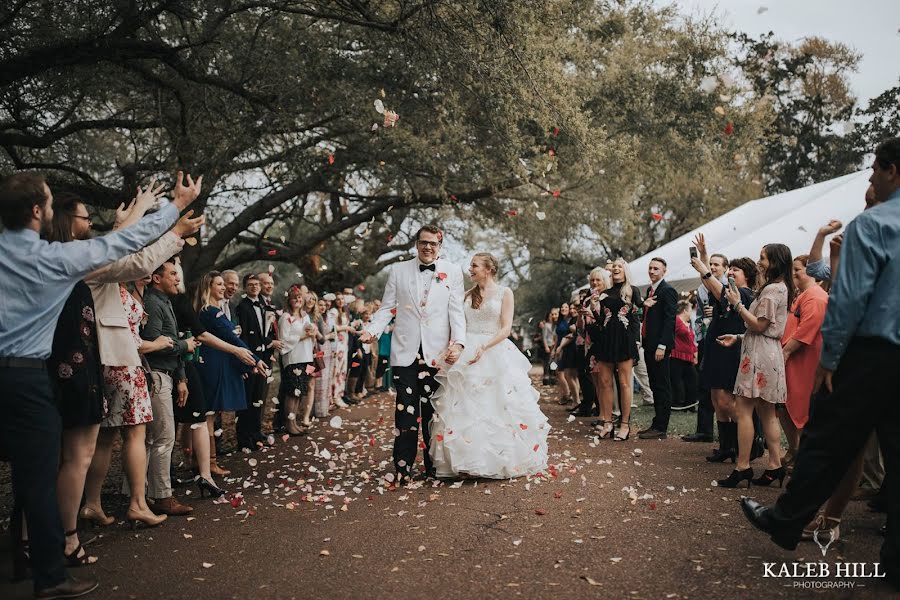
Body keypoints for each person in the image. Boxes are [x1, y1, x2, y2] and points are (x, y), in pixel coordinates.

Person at [0, 169, 199, 598]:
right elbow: (122, 245)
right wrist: (175, 209)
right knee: (37, 477)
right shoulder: (54, 259)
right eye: (50, 203)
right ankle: (50, 577)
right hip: (25, 379)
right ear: (37, 211)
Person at [742, 140, 900, 589]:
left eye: (874, 171)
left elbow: (848, 299)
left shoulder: (872, 224)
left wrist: (830, 360)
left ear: (892, 170)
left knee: (826, 439)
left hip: (873, 352)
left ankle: (786, 520)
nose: (870, 180)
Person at [83, 193, 196, 531]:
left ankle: (91, 504)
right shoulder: (107, 276)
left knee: (105, 438)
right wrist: (170, 229)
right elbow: (134, 256)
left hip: (108, 362)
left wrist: (125, 219)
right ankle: (137, 503)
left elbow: (120, 246)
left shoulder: (112, 282)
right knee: (136, 435)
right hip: (122, 363)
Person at [359, 225, 466, 485]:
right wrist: (372, 331)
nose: (427, 247)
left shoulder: (452, 272)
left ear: (440, 246)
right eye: (423, 243)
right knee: (405, 412)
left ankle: (433, 467)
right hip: (405, 353)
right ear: (416, 244)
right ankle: (403, 468)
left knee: (433, 413)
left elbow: (456, 312)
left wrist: (459, 343)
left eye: (433, 243)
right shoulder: (398, 270)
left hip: (437, 354)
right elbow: (387, 309)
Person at [429, 253, 549, 478]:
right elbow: (458, 327)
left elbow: (505, 328)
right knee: (464, 407)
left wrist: (484, 347)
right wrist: (454, 347)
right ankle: (466, 461)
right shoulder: (466, 295)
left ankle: (499, 460)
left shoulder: (505, 293)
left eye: (474, 266)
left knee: (497, 405)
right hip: (467, 352)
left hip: (494, 349)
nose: (469, 269)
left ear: (488, 269)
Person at [716, 244, 794, 488]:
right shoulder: (781, 288)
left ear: (775, 261)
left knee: (744, 410)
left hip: (759, 355)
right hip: (768, 352)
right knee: (768, 412)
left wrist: (737, 304)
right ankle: (774, 465)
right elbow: (766, 329)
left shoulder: (771, 290)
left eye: (763, 257)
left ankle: (742, 467)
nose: (759, 261)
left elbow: (759, 326)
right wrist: (737, 338)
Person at [141, 259, 198, 515]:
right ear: (156, 278)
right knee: (163, 438)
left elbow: (171, 339)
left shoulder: (165, 301)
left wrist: (182, 378)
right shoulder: (152, 303)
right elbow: (152, 343)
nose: (178, 278)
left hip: (169, 375)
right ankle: (162, 497)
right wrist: (185, 347)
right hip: (156, 376)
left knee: (156, 438)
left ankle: (143, 494)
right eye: (173, 273)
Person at [690, 246, 757, 462]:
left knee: (728, 401)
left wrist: (704, 268)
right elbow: (710, 285)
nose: (730, 273)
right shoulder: (727, 289)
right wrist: (703, 258)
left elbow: (719, 291)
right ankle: (725, 447)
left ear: (746, 275)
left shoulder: (744, 293)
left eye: (735, 270)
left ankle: (746, 445)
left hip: (731, 349)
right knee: (716, 398)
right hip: (715, 347)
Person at [195, 272, 266, 460]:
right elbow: (231, 339)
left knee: (210, 415)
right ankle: (208, 461)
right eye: (219, 284)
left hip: (217, 363)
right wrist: (256, 359)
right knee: (209, 416)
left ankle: (208, 460)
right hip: (211, 366)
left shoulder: (211, 311)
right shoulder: (210, 312)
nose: (224, 288)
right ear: (208, 287)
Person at [779, 255, 828, 465]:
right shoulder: (802, 294)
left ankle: (804, 457)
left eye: (797, 269)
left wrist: (786, 352)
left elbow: (807, 329)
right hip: (792, 359)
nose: (793, 273)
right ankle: (795, 449)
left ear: (811, 271)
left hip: (804, 360)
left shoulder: (816, 296)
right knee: (784, 406)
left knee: (801, 407)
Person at [585, 262, 641, 441]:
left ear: (625, 270)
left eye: (620, 266)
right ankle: (608, 423)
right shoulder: (603, 294)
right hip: (606, 340)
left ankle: (624, 424)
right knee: (605, 383)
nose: (616, 268)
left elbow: (637, 317)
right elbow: (601, 320)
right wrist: (594, 307)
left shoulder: (632, 290)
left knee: (625, 383)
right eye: (614, 267)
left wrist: (637, 340)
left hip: (625, 340)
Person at [235, 273, 280, 451]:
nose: (254, 287)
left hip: (264, 357)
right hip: (251, 358)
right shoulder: (242, 307)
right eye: (250, 284)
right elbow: (244, 337)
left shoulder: (264, 306)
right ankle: (244, 438)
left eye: (256, 284)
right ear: (245, 288)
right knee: (247, 398)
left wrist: (269, 346)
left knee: (259, 397)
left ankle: (256, 432)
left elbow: (266, 332)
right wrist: (250, 362)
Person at [637, 258, 677, 439]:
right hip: (649, 344)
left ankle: (661, 427)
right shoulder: (650, 290)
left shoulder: (668, 291)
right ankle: (657, 422)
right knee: (654, 384)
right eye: (650, 268)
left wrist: (662, 345)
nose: (652, 271)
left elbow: (670, 320)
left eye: (656, 268)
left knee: (662, 385)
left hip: (660, 347)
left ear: (664, 271)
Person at [279, 286, 317, 433]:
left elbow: (310, 333)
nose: (298, 300)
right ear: (289, 300)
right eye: (294, 297)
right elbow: (283, 339)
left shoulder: (305, 316)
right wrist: (304, 336)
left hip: (306, 357)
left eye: (300, 297)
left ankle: (294, 422)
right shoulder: (285, 318)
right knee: (291, 392)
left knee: (299, 392)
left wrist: (312, 331)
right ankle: (289, 425)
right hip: (293, 358)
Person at [670, 300, 699, 412]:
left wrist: (695, 353)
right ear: (685, 310)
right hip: (677, 356)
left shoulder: (687, 323)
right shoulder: (676, 321)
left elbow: (691, 341)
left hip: (687, 357)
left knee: (692, 380)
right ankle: (678, 403)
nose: (691, 313)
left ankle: (690, 404)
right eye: (690, 310)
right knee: (677, 381)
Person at [541, 308, 559, 386]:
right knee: (547, 362)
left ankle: (553, 378)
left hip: (554, 345)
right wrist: (546, 347)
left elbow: (556, 336)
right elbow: (544, 337)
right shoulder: (546, 325)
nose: (552, 317)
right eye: (550, 315)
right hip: (548, 345)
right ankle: (546, 378)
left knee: (553, 362)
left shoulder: (555, 325)